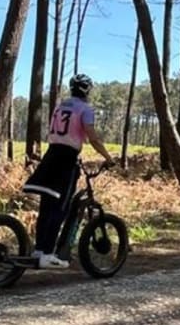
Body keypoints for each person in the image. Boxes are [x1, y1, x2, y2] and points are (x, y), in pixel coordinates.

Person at [22, 74, 115, 268]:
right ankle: (48, 255)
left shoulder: (60, 106)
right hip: (66, 160)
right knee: (61, 208)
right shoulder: (86, 109)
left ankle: (39, 250)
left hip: (51, 156)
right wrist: (108, 158)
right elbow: (93, 138)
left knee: (46, 206)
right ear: (87, 90)